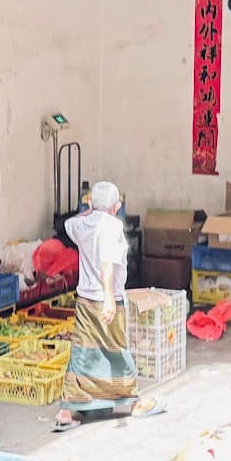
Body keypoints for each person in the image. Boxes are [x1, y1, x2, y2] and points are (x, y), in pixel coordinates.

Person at [52, 182, 162, 432]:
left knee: (81, 352)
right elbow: (107, 264)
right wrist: (110, 298)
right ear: (118, 206)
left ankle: (66, 411)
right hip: (106, 298)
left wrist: (89, 210)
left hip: (84, 299)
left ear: (90, 203)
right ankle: (134, 403)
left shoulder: (80, 224)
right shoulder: (112, 226)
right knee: (116, 349)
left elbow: (69, 223)